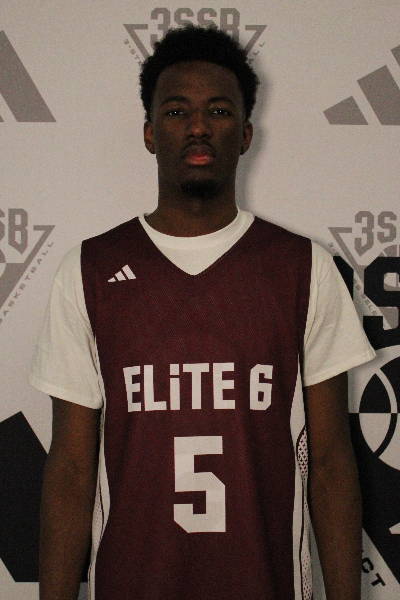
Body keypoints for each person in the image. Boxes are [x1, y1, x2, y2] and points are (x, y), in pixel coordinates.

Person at [30, 25, 375, 600]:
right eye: (176, 111)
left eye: (218, 111)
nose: (197, 127)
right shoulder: (90, 269)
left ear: (245, 134)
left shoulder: (303, 267)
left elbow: (332, 462)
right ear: (148, 133)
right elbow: (70, 469)